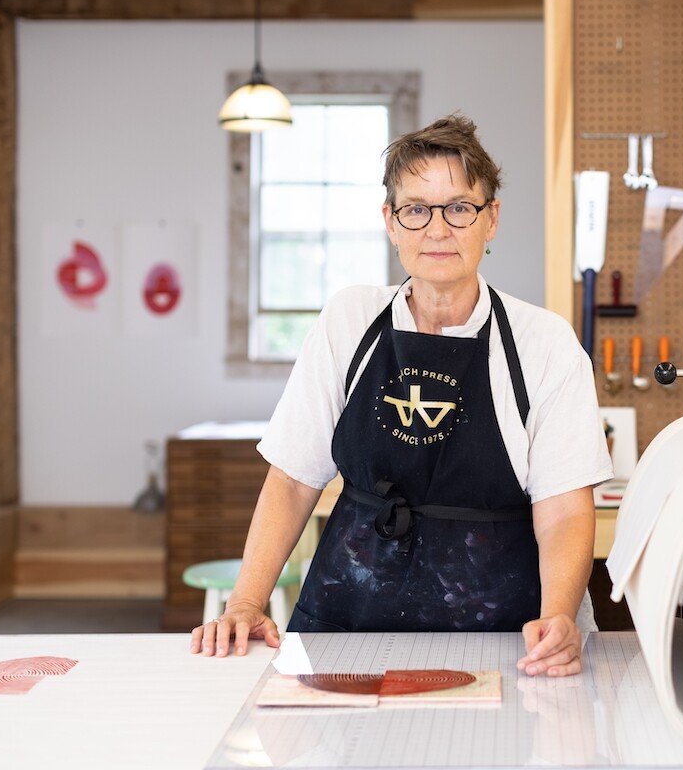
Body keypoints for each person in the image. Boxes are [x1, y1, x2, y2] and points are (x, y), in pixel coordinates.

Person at [190, 114, 613, 678]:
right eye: (416, 209)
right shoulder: (349, 320)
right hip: (348, 622)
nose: (437, 230)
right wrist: (245, 603)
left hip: (500, 637)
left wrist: (559, 615)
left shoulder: (544, 344)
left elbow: (563, 508)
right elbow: (293, 480)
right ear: (390, 222)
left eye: (460, 207)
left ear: (492, 220)